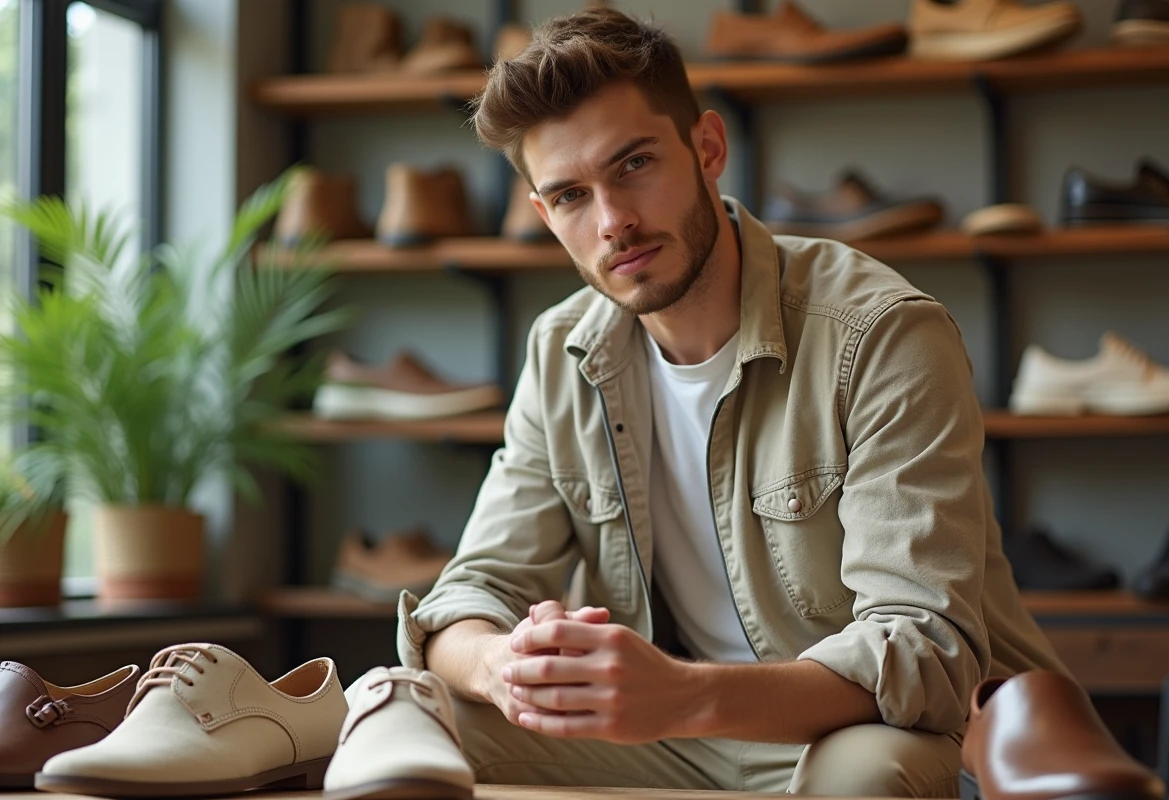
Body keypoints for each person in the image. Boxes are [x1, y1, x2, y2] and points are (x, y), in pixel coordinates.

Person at [396, 7, 1064, 797]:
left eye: (635, 164)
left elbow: (923, 652)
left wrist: (679, 694)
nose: (613, 221)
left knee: (865, 779)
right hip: (673, 731)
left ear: (707, 149)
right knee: (416, 723)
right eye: (572, 195)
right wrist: (503, 666)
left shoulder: (882, 334)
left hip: (873, 727)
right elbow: (471, 594)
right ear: (545, 215)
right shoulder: (561, 351)